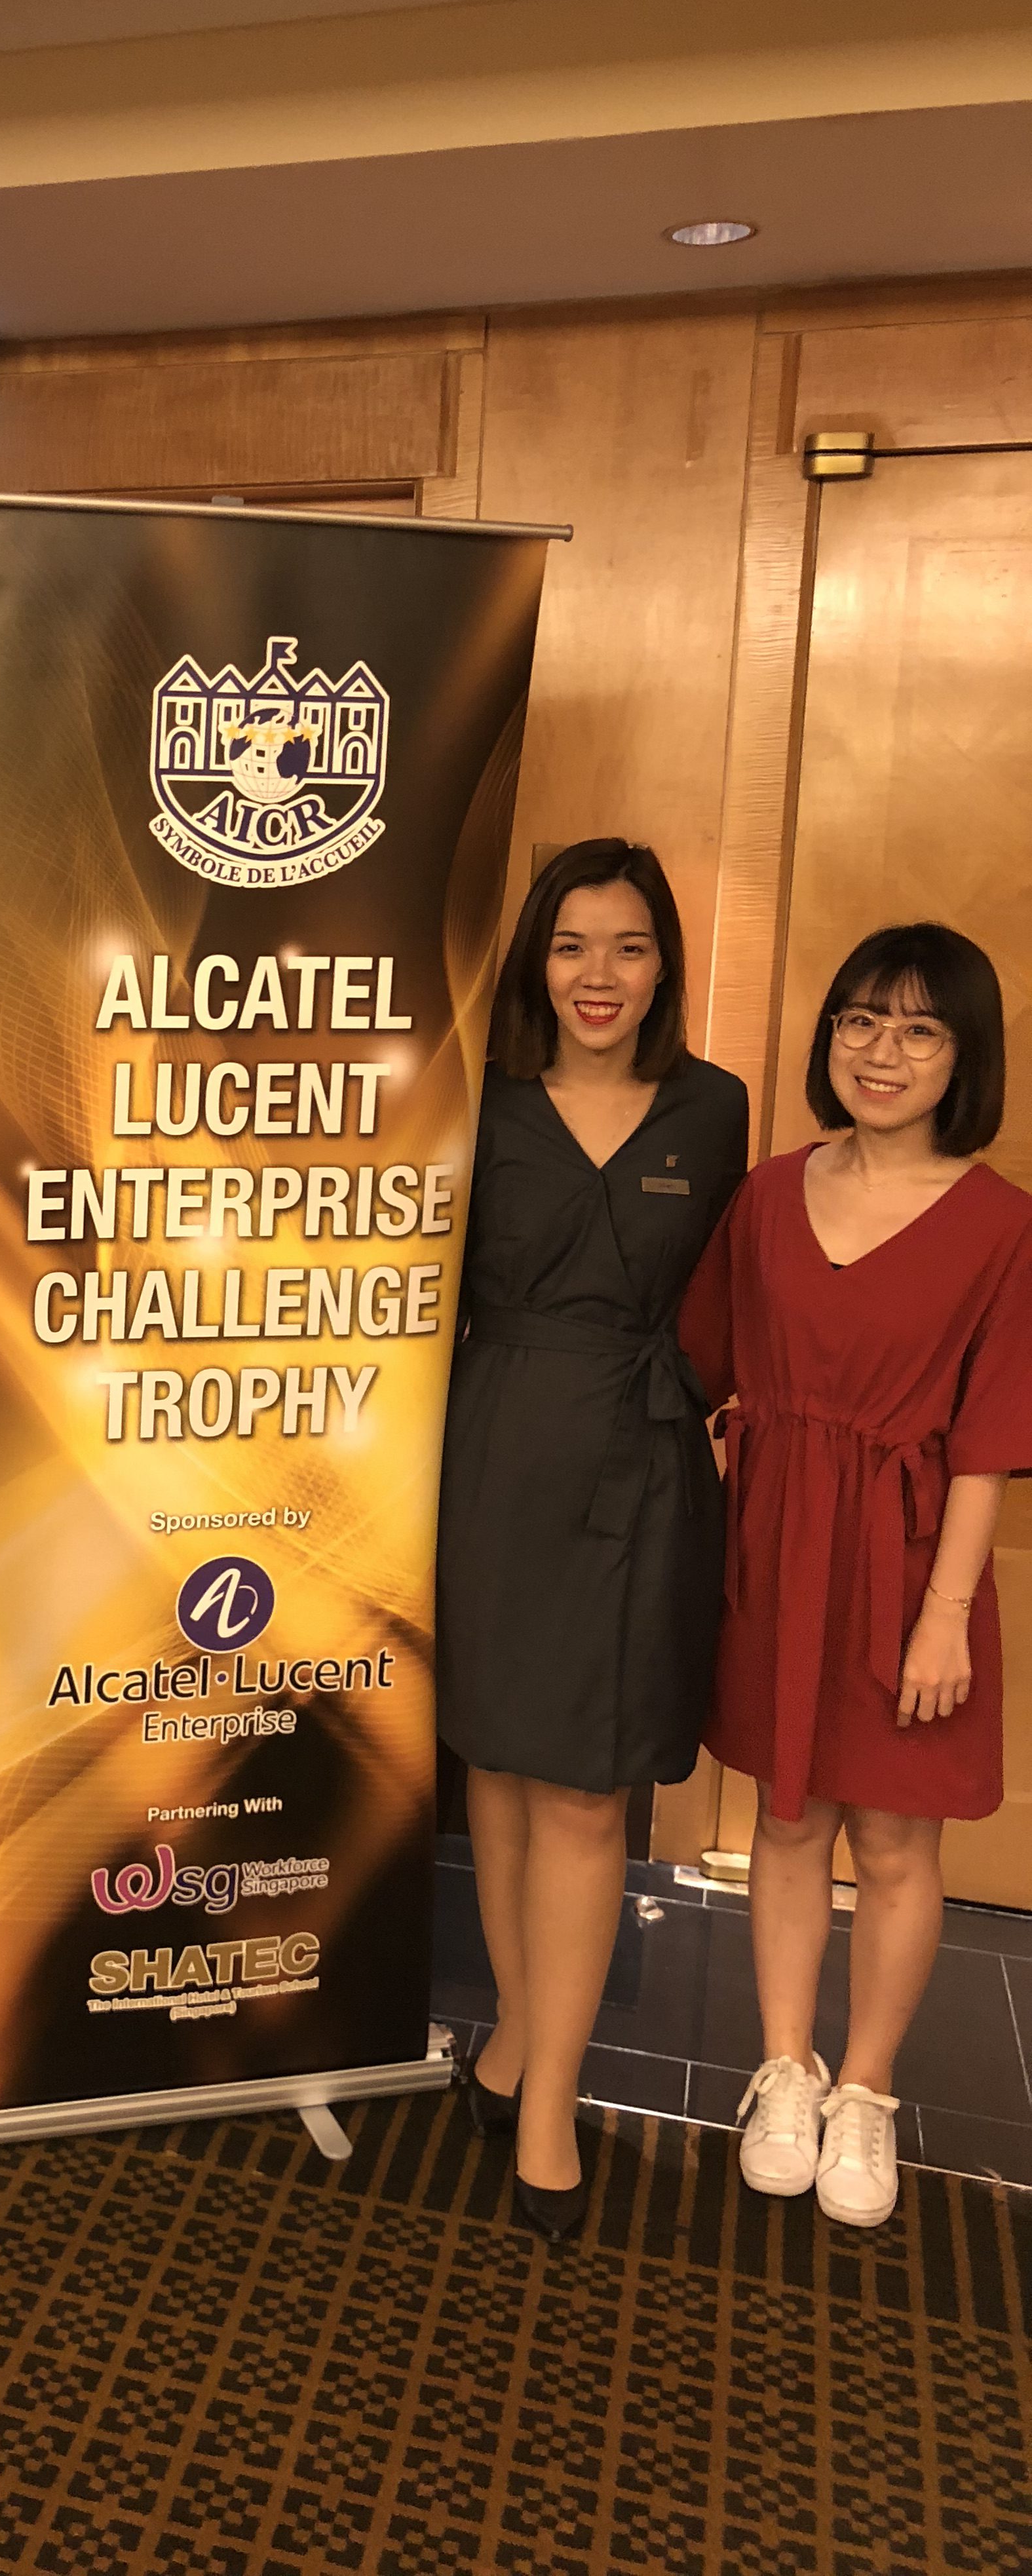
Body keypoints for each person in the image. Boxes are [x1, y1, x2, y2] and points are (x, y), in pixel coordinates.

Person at [680, 924, 1031, 2230]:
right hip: (777, 1549)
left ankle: (868, 2088)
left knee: (891, 1839)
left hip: (910, 1565)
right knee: (785, 1820)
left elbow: (989, 1442)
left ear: (964, 1055)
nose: (884, 1051)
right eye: (861, 1020)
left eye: (921, 1028)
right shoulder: (770, 1193)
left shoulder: (1002, 1226)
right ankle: (785, 2068)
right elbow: (702, 1361)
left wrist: (946, 1618)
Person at [437, 838, 748, 2239]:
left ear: (665, 963)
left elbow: (737, 1288)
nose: (599, 975)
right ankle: (515, 2035)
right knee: (501, 1770)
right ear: (537, 962)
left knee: (585, 1794)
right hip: (494, 1453)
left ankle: (550, 2098)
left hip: (641, 1464)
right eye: (572, 946)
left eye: (628, 946)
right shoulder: (479, 1098)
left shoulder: (713, 1108)